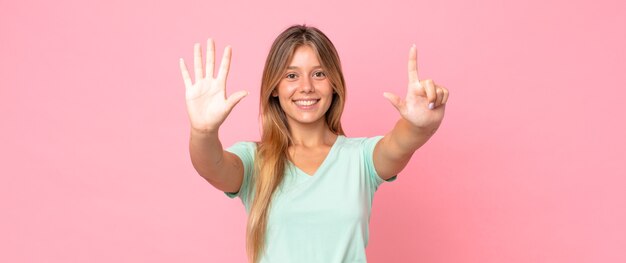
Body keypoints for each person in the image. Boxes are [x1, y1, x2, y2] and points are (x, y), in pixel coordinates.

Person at [179, 25, 449, 263]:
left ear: (334, 84)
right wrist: (203, 131)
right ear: (274, 87)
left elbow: (401, 143)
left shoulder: (361, 158)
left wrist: (419, 124)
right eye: (291, 75)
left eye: (319, 74)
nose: (306, 86)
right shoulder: (254, 161)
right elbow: (211, 166)